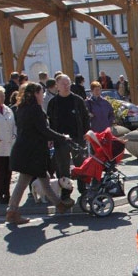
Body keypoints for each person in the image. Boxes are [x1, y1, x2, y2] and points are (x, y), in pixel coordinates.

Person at [6, 83, 72, 224]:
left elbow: (36, 130)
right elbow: (44, 130)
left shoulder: (22, 107)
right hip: (32, 152)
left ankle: (59, 205)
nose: (43, 95)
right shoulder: (34, 109)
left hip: (27, 150)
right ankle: (12, 212)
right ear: (35, 93)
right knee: (24, 182)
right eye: (41, 92)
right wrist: (62, 137)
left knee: (44, 178)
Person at [46, 74, 90, 202]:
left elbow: (85, 118)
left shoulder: (77, 100)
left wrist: (87, 133)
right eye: (63, 84)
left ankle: (83, 190)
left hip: (77, 138)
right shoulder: (53, 103)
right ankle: (65, 194)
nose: (66, 86)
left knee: (80, 165)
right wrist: (50, 138)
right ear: (57, 86)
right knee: (62, 167)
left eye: (68, 83)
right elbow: (50, 122)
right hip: (60, 140)